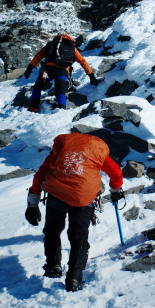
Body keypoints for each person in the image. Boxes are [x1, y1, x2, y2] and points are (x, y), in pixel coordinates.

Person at [25, 131, 124, 291]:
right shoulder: (97, 151)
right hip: (83, 195)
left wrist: (32, 204)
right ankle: (74, 278)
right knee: (79, 237)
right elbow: (115, 172)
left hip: (57, 192)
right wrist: (116, 190)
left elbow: (40, 175)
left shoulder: (61, 150)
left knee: (52, 230)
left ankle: (53, 266)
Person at [23, 33, 99, 113]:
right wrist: (91, 76)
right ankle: (61, 109)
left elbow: (38, 56)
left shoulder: (51, 45)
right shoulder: (71, 47)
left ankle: (34, 107)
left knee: (38, 87)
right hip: (62, 71)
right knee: (60, 91)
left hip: (48, 71)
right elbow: (82, 61)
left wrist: (29, 69)